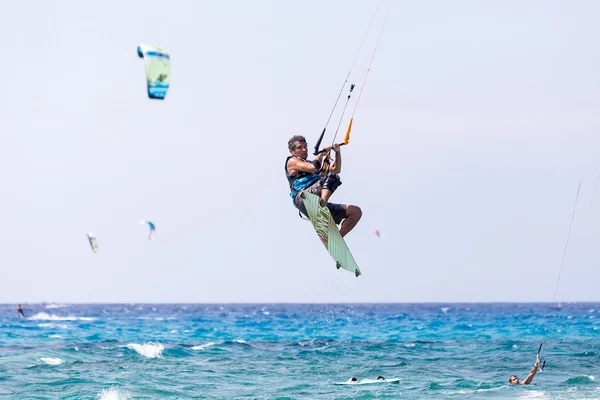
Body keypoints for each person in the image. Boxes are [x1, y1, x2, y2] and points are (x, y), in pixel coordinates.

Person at [285, 135, 362, 237]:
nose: (304, 149)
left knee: (355, 212)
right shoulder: (292, 161)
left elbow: (335, 169)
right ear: (292, 151)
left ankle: (336, 238)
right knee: (330, 176)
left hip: (315, 200)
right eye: (299, 147)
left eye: (305, 146)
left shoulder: (311, 163)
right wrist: (321, 155)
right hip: (303, 197)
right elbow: (313, 168)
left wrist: (337, 152)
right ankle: (322, 206)